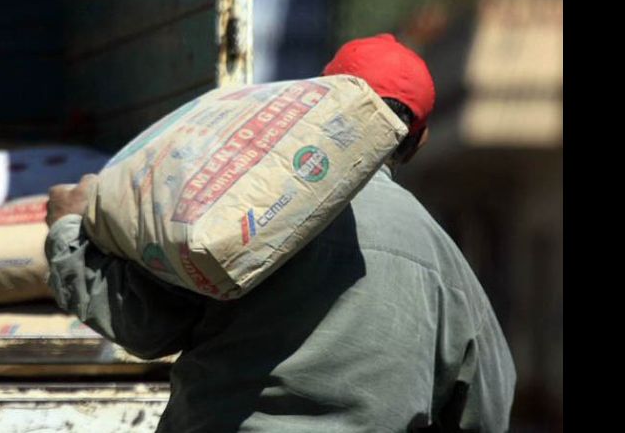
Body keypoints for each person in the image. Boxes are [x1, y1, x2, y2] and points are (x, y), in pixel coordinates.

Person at [45, 34, 516, 432]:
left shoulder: (243, 209)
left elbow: (144, 327)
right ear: (418, 142)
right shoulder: (443, 260)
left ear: (316, 100)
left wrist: (69, 234)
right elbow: (488, 405)